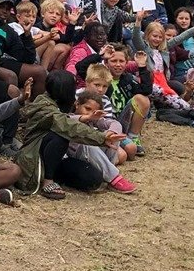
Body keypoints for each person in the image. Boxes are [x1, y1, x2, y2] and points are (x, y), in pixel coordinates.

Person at [15, 70, 126, 200]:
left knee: (93, 179)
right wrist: (101, 138)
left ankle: (60, 176)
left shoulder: (60, 102)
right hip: (36, 157)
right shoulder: (45, 107)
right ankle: (48, 181)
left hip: (62, 157)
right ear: (65, 90)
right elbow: (69, 126)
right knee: (60, 137)